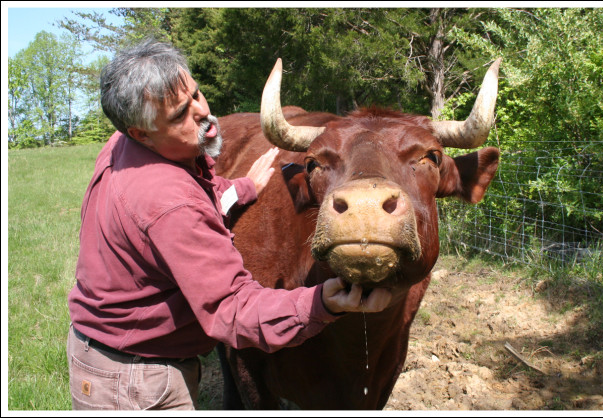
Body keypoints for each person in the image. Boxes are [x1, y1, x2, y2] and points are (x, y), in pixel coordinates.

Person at [66, 39, 392, 410]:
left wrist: (243, 187)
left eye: (196, 94)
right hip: (136, 381)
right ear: (139, 132)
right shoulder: (171, 204)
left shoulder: (120, 146)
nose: (202, 112)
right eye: (178, 115)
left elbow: (188, 195)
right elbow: (232, 310)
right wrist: (321, 304)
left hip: (97, 350)